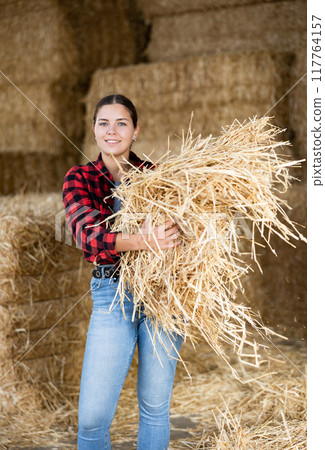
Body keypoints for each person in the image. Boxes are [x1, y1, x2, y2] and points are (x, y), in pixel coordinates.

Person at [62, 94, 183, 449]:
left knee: (155, 407)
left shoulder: (160, 178)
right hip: (112, 293)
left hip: (163, 294)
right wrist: (148, 240)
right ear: (94, 130)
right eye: (103, 123)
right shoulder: (79, 178)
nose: (111, 131)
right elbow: (89, 238)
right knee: (93, 419)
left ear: (135, 130)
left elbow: (186, 231)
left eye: (121, 123)